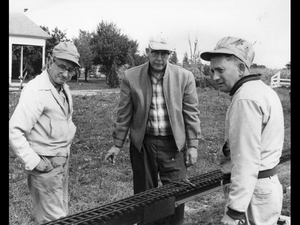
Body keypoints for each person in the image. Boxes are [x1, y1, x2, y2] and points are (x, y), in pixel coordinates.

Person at [105, 34, 201, 225]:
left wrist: (193, 145)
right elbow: (124, 113)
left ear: (170, 55)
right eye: (155, 53)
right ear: (147, 52)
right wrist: (117, 144)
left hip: (173, 144)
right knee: (145, 195)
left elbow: (191, 113)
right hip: (144, 144)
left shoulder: (184, 77)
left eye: (164, 54)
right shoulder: (131, 76)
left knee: (177, 191)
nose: (159, 58)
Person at [200, 36, 284, 225]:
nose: (214, 77)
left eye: (220, 70)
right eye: (212, 70)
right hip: (266, 187)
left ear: (240, 68)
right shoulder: (264, 91)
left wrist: (234, 211)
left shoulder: (245, 99)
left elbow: (246, 160)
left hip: (253, 195)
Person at [9, 42, 80, 224]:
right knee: (54, 220)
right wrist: (34, 162)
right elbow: (15, 130)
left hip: (62, 163)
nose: (65, 74)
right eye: (62, 67)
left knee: (61, 213)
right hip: (45, 166)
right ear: (51, 61)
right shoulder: (36, 90)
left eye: (71, 70)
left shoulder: (63, 89)